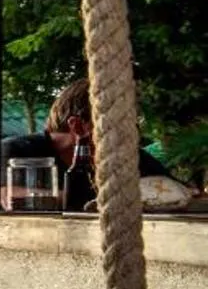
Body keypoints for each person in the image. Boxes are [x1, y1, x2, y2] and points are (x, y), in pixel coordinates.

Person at [46, 77, 169, 212]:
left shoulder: (131, 156)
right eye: (115, 123)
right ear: (78, 126)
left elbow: (175, 190)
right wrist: (72, 197)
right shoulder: (27, 148)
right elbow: (18, 194)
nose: (130, 130)